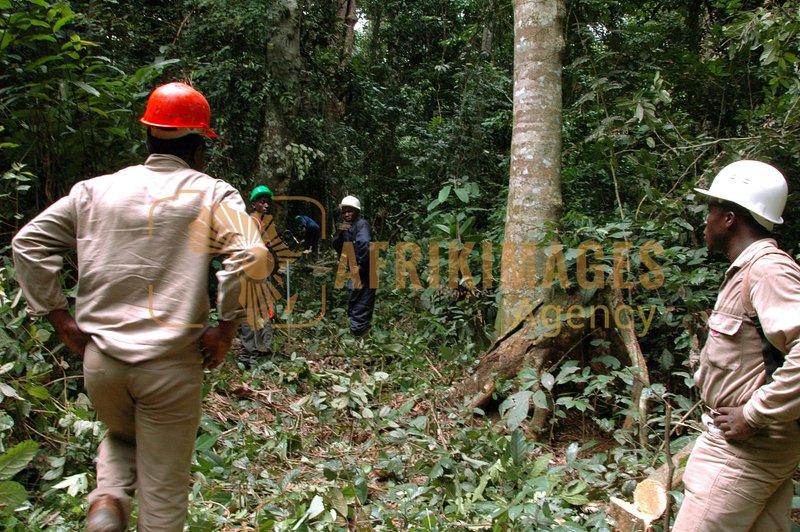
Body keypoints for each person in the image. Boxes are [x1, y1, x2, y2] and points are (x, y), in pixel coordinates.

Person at [12, 81, 266, 532]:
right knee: (163, 493)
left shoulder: (94, 191)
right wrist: (226, 328)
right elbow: (250, 255)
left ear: (148, 135)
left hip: (101, 363)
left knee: (122, 433)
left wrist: (60, 318)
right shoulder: (212, 193)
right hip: (170, 363)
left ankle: (108, 499)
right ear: (199, 149)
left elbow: (28, 243)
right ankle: (120, 506)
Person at [672, 160, 800, 531]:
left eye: (710, 210)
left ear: (729, 218)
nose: (705, 220)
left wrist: (753, 414)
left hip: (746, 450)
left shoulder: (768, 270)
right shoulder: (749, 271)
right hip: (759, 445)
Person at [238, 185, 278, 368]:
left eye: (267, 202)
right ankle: (249, 355)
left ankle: (256, 353)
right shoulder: (250, 222)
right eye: (262, 202)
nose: (266, 205)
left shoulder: (261, 223)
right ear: (254, 204)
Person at [332, 195, 375, 336]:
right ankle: (357, 332)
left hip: (365, 269)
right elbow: (338, 246)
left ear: (357, 211)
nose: (346, 214)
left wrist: (361, 266)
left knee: (363, 300)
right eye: (344, 212)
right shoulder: (346, 226)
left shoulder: (362, 225)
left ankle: (359, 332)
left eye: (350, 211)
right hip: (354, 268)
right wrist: (340, 232)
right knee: (354, 297)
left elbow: (365, 245)